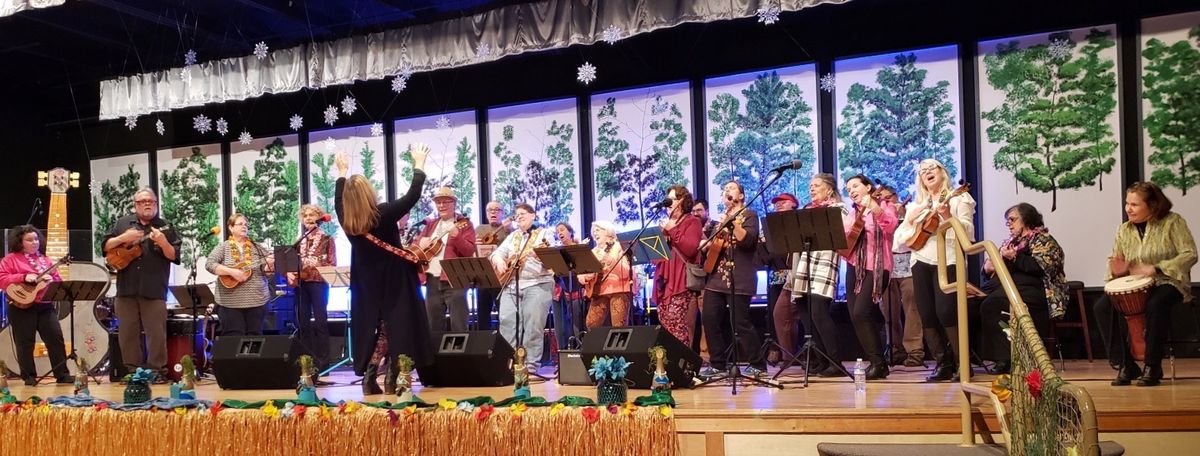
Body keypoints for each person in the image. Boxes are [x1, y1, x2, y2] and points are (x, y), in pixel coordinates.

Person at [335, 143, 432, 395]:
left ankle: (370, 373)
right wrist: (419, 163)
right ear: (369, 193)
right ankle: (393, 376)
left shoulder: (346, 220)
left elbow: (338, 200)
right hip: (395, 279)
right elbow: (413, 195)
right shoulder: (384, 213)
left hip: (365, 283)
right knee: (398, 325)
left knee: (376, 326)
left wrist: (341, 172)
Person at [1096, 182, 1196, 387]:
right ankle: (1126, 364)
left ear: (1152, 205)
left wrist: (1157, 268)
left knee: (1156, 303)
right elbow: (1117, 260)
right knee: (1103, 307)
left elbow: (1189, 254)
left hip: (1168, 282)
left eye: (1134, 204)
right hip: (1136, 285)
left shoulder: (1172, 222)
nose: (1128, 209)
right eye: (1127, 203)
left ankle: (1152, 366)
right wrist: (1117, 271)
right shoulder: (1124, 230)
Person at [893, 159, 976, 382]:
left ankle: (962, 363)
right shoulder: (917, 206)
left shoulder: (959, 198)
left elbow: (968, 233)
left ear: (942, 172)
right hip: (920, 260)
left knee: (947, 311)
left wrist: (948, 216)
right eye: (922, 171)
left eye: (931, 168)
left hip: (948, 258)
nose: (927, 173)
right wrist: (911, 222)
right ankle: (943, 363)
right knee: (927, 314)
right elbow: (899, 242)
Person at [978, 203, 1066, 374]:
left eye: (1012, 220)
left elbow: (1042, 268)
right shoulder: (1009, 243)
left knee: (993, 303)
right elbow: (994, 270)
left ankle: (1006, 359)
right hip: (1008, 288)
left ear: (1026, 219)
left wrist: (1015, 257)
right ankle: (965, 361)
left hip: (1036, 290)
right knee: (971, 303)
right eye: (1007, 221)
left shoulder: (1043, 239)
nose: (1009, 224)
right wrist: (988, 268)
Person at [102, 188, 181, 377]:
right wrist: (123, 238)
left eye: (151, 201)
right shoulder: (122, 224)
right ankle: (132, 371)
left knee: (156, 334)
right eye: (142, 201)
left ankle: (157, 371)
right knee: (128, 333)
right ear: (135, 205)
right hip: (126, 289)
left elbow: (174, 255)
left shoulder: (166, 226)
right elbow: (105, 246)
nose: (147, 204)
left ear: (156, 203)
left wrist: (162, 242)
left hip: (154, 289)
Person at [779, 174, 845, 377]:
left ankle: (836, 361)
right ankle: (820, 360)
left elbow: (841, 235)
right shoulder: (807, 210)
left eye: (816, 185)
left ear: (829, 189)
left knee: (818, 312)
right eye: (810, 186)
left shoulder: (838, 209)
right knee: (806, 314)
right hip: (804, 265)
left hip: (824, 264)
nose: (812, 189)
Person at [700, 181, 766, 378]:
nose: (726, 191)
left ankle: (758, 363)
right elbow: (711, 246)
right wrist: (705, 244)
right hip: (716, 277)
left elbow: (748, 240)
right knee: (709, 319)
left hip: (740, 276)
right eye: (724, 189)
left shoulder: (750, 215)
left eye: (731, 188)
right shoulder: (720, 220)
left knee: (740, 322)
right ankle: (718, 364)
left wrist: (733, 224)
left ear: (742, 195)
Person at [841, 175, 898, 380]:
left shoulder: (885, 205)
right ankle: (875, 361)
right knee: (857, 315)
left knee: (861, 312)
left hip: (877, 266)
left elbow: (890, 227)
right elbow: (846, 237)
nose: (851, 191)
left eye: (855, 186)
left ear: (868, 187)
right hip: (854, 267)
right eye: (848, 189)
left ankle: (878, 363)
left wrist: (874, 206)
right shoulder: (853, 212)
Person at [488, 203, 556, 373]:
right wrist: (500, 261)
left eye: (523, 213)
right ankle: (507, 363)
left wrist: (539, 255)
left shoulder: (545, 234)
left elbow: (552, 257)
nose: (519, 217)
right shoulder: (513, 236)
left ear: (533, 215)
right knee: (506, 322)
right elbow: (496, 253)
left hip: (538, 283)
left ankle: (531, 365)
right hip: (511, 284)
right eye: (517, 214)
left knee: (533, 324)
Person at [0, 225, 70, 385]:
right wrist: (24, 277)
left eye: (36, 239)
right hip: (20, 306)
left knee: (55, 339)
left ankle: (62, 375)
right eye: (29, 240)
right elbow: (2, 278)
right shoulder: (10, 259)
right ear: (20, 242)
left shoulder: (45, 260)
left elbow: (58, 280)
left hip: (44, 305)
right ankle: (29, 377)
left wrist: (54, 281)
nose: (34, 243)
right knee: (25, 343)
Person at [414, 187, 476, 332]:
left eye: (445, 202)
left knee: (459, 326)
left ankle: (460, 355)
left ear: (454, 203)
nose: (441, 205)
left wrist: (457, 236)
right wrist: (420, 244)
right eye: (438, 202)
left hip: (455, 280)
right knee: (433, 326)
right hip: (432, 281)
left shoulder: (464, 224)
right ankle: (435, 355)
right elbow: (416, 246)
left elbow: (469, 250)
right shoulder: (431, 225)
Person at [876, 185, 924, 367]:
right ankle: (895, 350)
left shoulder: (909, 217)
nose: (886, 202)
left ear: (896, 197)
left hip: (908, 267)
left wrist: (901, 216)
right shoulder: (880, 218)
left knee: (912, 311)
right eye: (882, 200)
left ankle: (915, 352)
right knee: (889, 312)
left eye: (889, 198)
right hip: (887, 269)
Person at [207, 213, 274, 336]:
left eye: (246, 224)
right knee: (233, 337)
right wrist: (232, 272)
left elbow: (268, 273)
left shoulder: (258, 248)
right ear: (231, 227)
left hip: (257, 301)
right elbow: (210, 264)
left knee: (254, 337)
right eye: (240, 224)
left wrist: (271, 264)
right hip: (230, 303)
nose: (244, 227)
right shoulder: (224, 247)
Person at [287, 205, 336, 370]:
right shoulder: (299, 241)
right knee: (303, 323)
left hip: (318, 284)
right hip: (301, 285)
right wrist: (291, 273)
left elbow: (331, 263)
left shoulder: (327, 239)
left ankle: (323, 364)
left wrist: (315, 264)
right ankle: (307, 363)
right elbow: (290, 262)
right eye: (305, 216)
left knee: (321, 323)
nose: (308, 218)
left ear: (319, 217)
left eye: (312, 215)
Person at [655, 185, 702, 346]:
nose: (668, 203)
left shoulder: (692, 221)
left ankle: (682, 365)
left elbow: (690, 249)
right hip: (664, 280)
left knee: (678, 324)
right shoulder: (665, 224)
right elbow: (655, 256)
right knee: (665, 322)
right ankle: (669, 363)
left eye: (672, 199)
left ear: (682, 201)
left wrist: (672, 229)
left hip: (681, 279)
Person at [760, 192, 800, 364]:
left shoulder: (799, 222)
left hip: (797, 273)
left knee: (797, 315)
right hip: (776, 274)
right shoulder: (771, 226)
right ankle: (779, 349)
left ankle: (798, 351)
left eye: (783, 202)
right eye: (777, 203)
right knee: (773, 313)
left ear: (794, 204)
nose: (779, 205)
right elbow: (764, 255)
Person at [579, 221, 632, 329]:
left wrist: (611, 261)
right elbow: (580, 274)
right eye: (594, 231)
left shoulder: (619, 247)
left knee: (619, 326)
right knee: (591, 324)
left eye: (598, 230)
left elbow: (626, 272)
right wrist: (586, 277)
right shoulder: (594, 252)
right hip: (598, 290)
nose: (595, 233)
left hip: (618, 290)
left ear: (607, 231)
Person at [475, 201, 512, 330]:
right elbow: (473, 251)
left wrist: (508, 231)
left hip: (500, 277)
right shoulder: (480, 229)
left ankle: (505, 343)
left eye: (497, 210)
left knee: (504, 313)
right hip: (483, 276)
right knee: (482, 314)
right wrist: (474, 244)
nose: (493, 212)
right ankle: (484, 344)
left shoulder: (508, 229)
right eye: (490, 210)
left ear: (502, 213)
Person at [550, 222, 584, 349]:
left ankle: (579, 350)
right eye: (557, 231)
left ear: (570, 231)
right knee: (560, 325)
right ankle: (562, 353)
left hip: (576, 289)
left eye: (562, 229)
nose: (559, 233)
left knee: (576, 323)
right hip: (558, 290)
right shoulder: (556, 251)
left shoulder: (579, 248)